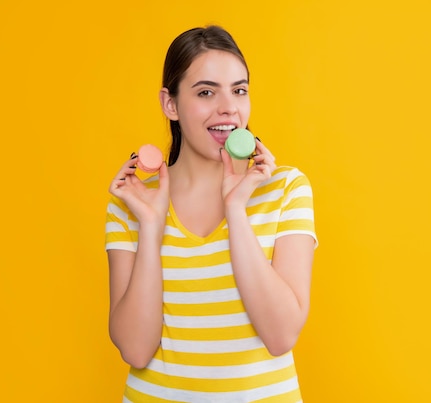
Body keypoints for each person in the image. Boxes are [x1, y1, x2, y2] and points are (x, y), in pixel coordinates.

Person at [105, 25, 317, 402]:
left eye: (239, 90)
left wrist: (236, 210)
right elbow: (136, 350)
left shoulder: (285, 189)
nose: (229, 108)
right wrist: (151, 227)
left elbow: (281, 335)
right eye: (206, 92)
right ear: (170, 104)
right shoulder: (132, 203)